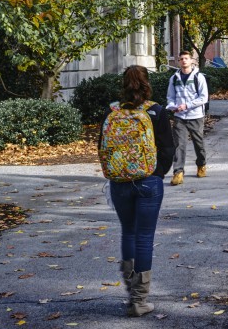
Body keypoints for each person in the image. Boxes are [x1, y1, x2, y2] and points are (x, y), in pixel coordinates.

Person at [100, 66, 174, 317]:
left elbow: (102, 146)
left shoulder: (112, 111)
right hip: (148, 181)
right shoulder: (156, 112)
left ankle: (132, 295)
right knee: (144, 237)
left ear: (124, 84)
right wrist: (157, 173)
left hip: (119, 180)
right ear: (147, 83)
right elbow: (167, 149)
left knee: (128, 233)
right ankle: (139, 300)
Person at [166, 51, 209, 186]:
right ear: (179, 61)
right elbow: (170, 97)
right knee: (179, 144)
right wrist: (173, 106)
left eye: (186, 58)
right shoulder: (174, 78)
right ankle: (178, 172)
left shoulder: (199, 77)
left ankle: (201, 164)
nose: (184, 61)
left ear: (191, 61)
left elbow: (203, 97)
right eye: (181, 59)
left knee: (198, 143)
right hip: (179, 117)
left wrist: (187, 105)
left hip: (196, 116)